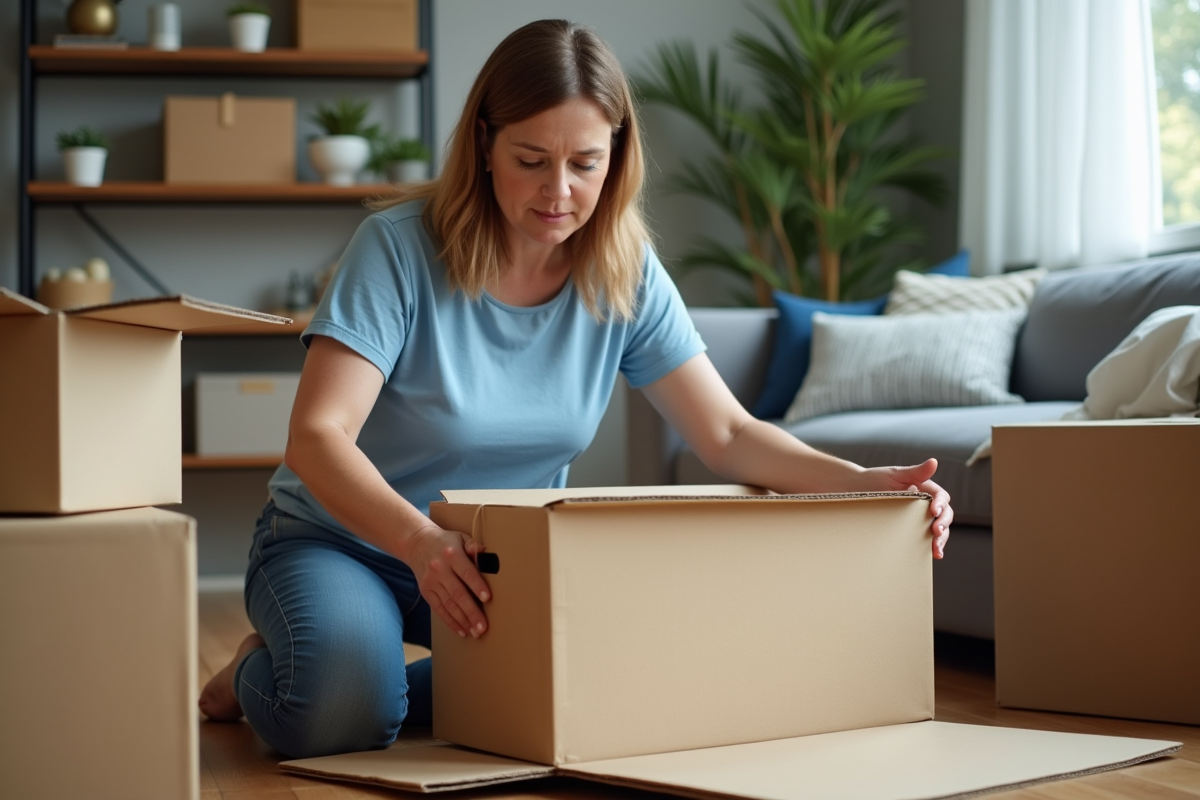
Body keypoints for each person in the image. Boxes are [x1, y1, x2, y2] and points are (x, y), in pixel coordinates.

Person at [198, 18, 953, 759]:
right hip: (341, 542)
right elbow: (318, 436)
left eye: (585, 163)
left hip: (491, 563)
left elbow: (725, 433)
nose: (558, 191)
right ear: (485, 143)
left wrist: (860, 484)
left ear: (616, 156)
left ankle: (358, 670)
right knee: (342, 714)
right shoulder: (397, 249)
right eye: (531, 159)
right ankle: (263, 671)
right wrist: (419, 541)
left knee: (624, 678)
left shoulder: (624, 268)